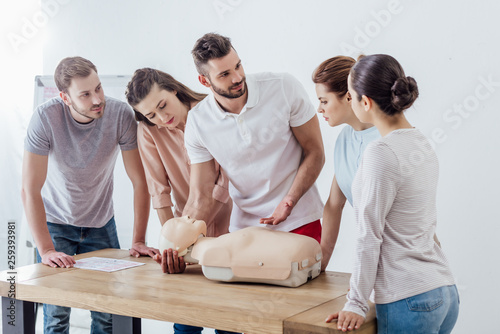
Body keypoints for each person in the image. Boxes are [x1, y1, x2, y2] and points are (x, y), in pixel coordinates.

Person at [21, 56, 159, 334]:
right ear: (65, 97)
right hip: (56, 224)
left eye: (98, 88)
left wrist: (139, 240)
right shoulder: (45, 118)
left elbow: (140, 181)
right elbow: (29, 189)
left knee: (107, 312)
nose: (97, 99)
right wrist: (46, 249)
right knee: (56, 315)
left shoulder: (120, 116)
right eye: (85, 94)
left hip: (100, 225)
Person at [326, 54, 459, 333]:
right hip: (444, 291)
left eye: (350, 95)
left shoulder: (380, 153)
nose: (349, 101)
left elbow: (368, 236)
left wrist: (356, 303)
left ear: (366, 102)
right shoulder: (421, 143)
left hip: (409, 300)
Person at [181, 32, 325, 253]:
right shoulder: (198, 122)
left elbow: (315, 151)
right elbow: (200, 195)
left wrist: (289, 201)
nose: (237, 77)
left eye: (238, 66)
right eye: (225, 74)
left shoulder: (284, 87)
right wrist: (179, 241)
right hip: (245, 230)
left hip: (299, 219)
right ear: (204, 81)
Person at [125, 68, 235, 334]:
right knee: (185, 322)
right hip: (185, 241)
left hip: (231, 232)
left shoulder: (213, 112)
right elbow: (159, 190)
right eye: (151, 114)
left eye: (163, 106)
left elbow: (224, 183)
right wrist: (172, 246)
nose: (162, 118)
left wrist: (189, 234)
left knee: (230, 321)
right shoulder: (149, 130)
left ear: (173, 89)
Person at [312, 56, 380, 270]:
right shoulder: (344, 138)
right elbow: (334, 205)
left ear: (349, 96)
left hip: (405, 270)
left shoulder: (384, 140)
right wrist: (320, 265)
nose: (319, 109)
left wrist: (367, 279)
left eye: (324, 101)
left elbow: (383, 223)